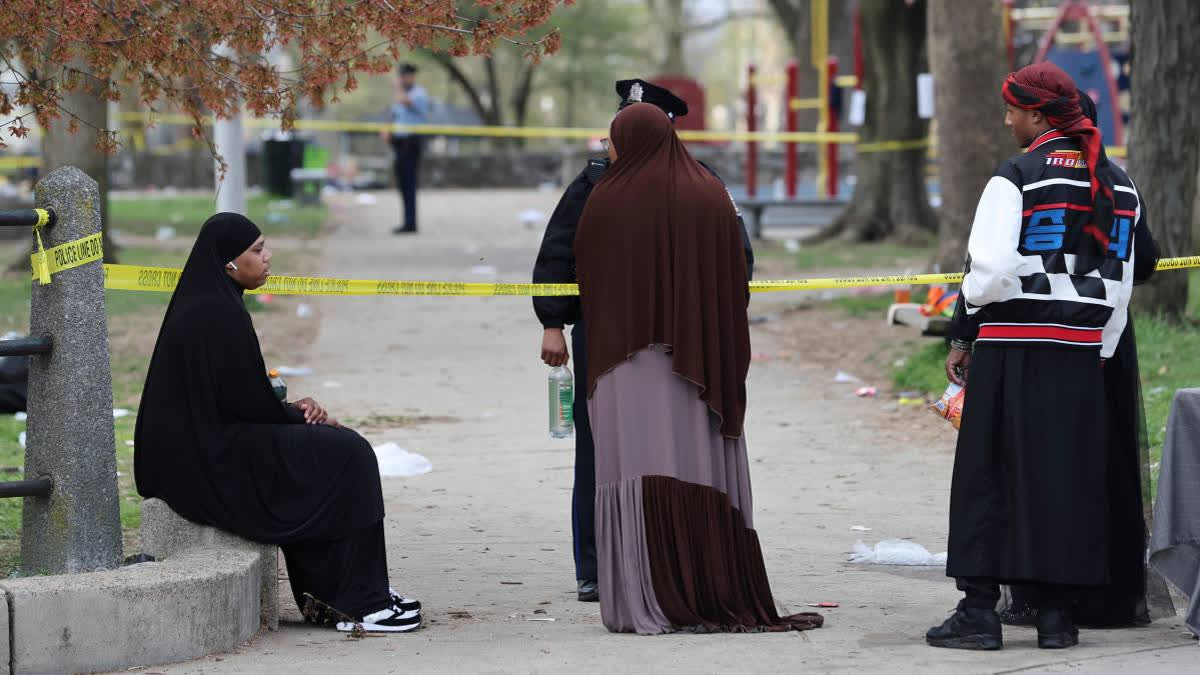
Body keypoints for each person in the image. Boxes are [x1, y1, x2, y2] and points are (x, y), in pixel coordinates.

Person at [574, 102, 821, 635]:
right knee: (695, 465)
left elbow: (590, 281)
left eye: (612, 140)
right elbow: (737, 274)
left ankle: (642, 598)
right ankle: (708, 587)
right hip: (698, 368)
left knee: (634, 468)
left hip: (624, 366)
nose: (609, 151)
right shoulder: (708, 193)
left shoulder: (605, 200)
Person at [930, 62, 1146, 651]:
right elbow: (1122, 281)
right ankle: (1056, 617)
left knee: (989, 475)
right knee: (1064, 477)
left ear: (1036, 114)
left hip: (1011, 347)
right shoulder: (1118, 182)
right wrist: (1098, 346)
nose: (1006, 120)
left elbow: (991, 268)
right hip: (1080, 351)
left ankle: (978, 613)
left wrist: (971, 310)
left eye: (1011, 110)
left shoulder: (1016, 175)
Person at [134, 213, 422, 633]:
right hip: (204, 462)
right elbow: (244, 402)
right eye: (256, 250)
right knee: (348, 454)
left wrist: (296, 415)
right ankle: (361, 602)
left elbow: (239, 397)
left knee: (332, 451)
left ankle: (349, 594)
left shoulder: (212, 301)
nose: (267, 257)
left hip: (207, 447)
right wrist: (300, 414)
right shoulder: (215, 313)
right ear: (228, 262)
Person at [532, 78, 754, 603]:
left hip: (683, 340)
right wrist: (552, 320)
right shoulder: (594, 185)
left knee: (679, 443)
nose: (613, 141)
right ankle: (597, 563)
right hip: (609, 338)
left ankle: (678, 555)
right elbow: (559, 253)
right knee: (600, 447)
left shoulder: (702, 184)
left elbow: (737, 261)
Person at [998, 95, 1162, 630]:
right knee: (1105, 461)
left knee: (1040, 463)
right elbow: (1147, 261)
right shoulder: (1118, 180)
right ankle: (1107, 594)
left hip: (1039, 337)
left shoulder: (1028, 176)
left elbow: (992, 261)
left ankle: (1040, 595)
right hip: (1106, 340)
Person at [379, 63, 429, 235]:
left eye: (406, 76)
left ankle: (411, 224)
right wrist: (387, 129)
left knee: (409, 183)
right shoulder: (400, 94)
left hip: (412, 142)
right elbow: (395, 114)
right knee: (402, 184)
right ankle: (407, 222)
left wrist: (397, 87)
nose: (404, 79)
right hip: (399, 143)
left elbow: (405, 102)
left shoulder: (418, 94)